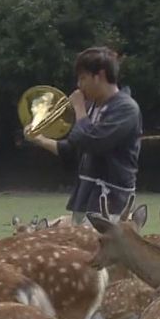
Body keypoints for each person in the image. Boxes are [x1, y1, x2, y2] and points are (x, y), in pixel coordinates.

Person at [25, 46, 142, 223]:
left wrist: (79, 108)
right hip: (86, 197)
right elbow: (73, 149)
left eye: (83, 78)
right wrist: (39, 139)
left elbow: (92, 142)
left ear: (100, 76)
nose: (79, 85)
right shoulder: (93, 107)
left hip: (111, 202)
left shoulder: (125, 109)